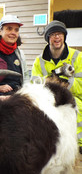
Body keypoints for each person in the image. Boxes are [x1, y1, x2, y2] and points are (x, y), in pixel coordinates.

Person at [31, 20, 82, 154]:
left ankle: (78, 144)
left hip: (72, 96)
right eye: (53, 34)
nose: (57, 37)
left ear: (64, 36)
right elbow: (34, 84)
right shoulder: (39, 61)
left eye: (59, 34)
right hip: (48, 99)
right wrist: (53, 82)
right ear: (48, 38)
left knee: (76, 107)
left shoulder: (77, 57)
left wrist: (67, 82)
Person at [0, 15, 29, 95]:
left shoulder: (20, 54)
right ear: (0, 31)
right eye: (9, 28)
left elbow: (26, 78)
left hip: (17, 93)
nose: (13, 33)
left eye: (16, 30)